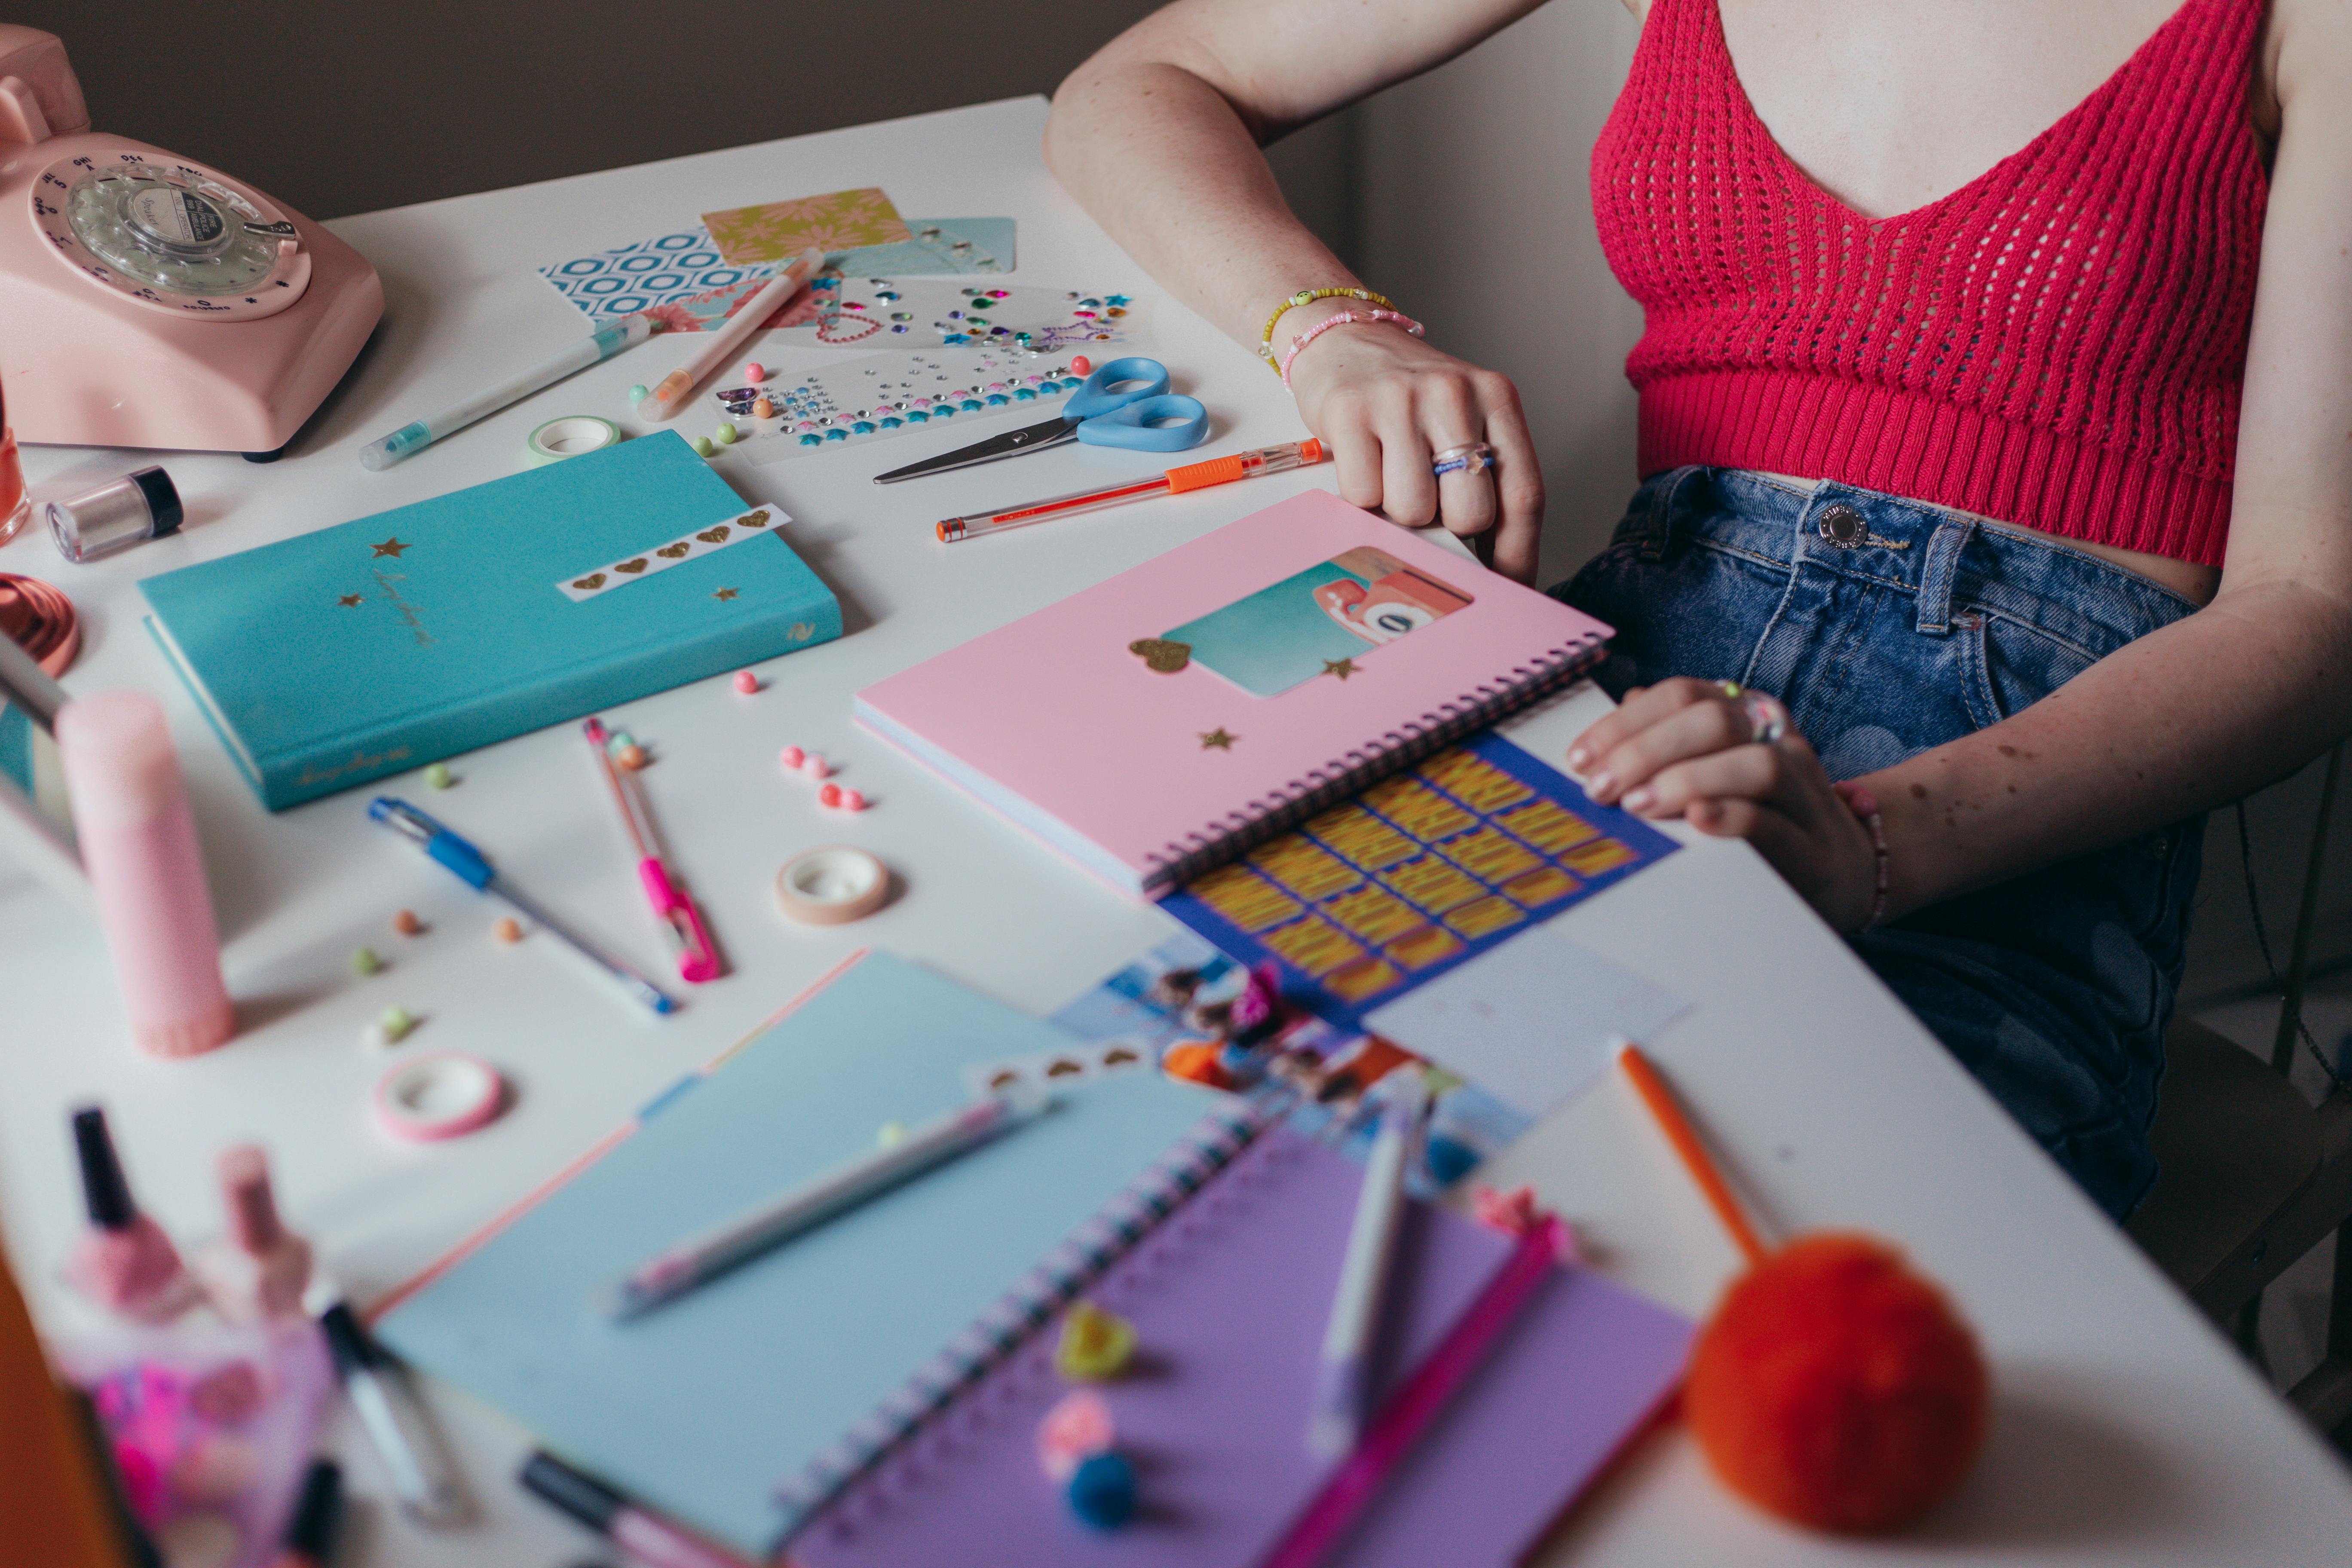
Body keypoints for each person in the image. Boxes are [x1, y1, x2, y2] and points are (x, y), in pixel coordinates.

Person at [1044, 0, 2352, 1217]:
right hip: (1624, 683)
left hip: (2002, 799)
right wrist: (1334, 330)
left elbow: (2310, 608)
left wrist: (1873, 846)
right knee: (1181, 1124)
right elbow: (1138, 89)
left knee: (1756, 1274)